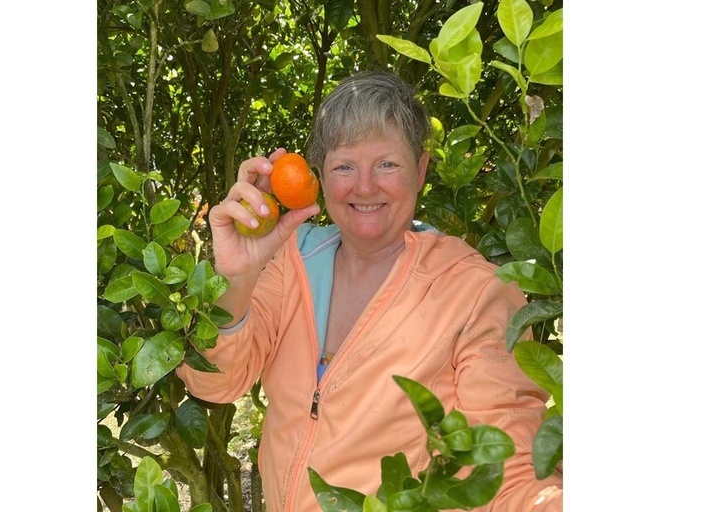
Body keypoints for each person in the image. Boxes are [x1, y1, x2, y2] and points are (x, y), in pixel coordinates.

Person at [177, 71, 563, 512]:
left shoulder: (474, 291)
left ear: (419, 171)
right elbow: (215, 384)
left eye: (387, 164)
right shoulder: (292, 261)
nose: (364, 186)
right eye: (344, 165)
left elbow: (504, 468)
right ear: (319, 175)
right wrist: (239, 276)